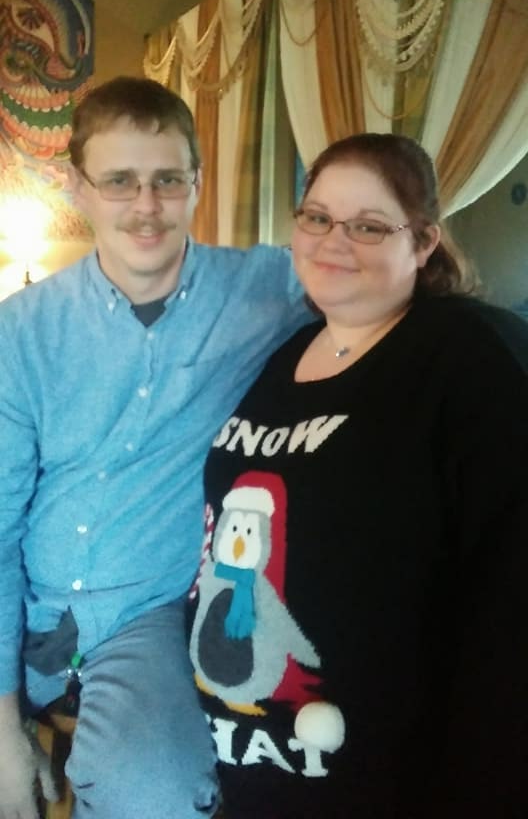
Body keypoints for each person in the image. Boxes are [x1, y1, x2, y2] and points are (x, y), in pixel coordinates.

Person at [189, 133, 528, 819]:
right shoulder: (283, 350)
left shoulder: (472, 357)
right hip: (249, 768)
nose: (333, 242)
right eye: (317, 217)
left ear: (424, 243)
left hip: (394, 782)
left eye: (369, 226)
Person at [0, 76, 312, 819]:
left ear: (196, 183)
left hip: (145, 617)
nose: (146, 205)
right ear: (79, 188)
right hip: (29, 604)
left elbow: (372, 279)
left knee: (155, 796)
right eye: (120, 181)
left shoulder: (266, 290)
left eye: (167, 180)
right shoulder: (21, 330)